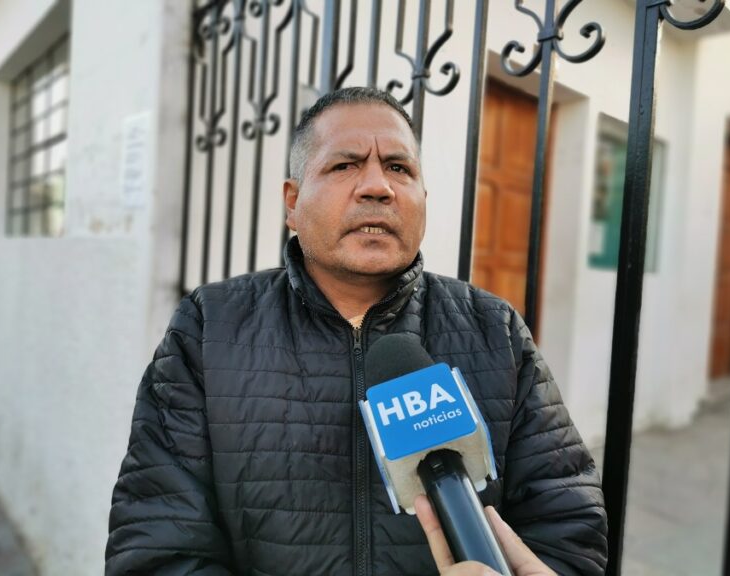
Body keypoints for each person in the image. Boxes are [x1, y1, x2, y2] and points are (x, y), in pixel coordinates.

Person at [105, 87, 607, 576]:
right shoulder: (209, 327)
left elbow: (568, 526)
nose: (377, 186)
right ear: (292, 202)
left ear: (422, 199)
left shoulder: (494, 328)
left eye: (398, 168)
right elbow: (156, 540)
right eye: (344, 165)